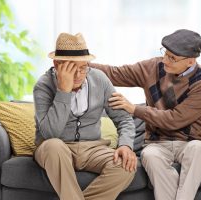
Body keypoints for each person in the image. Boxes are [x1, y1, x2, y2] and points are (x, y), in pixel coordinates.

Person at [90, 29, 201, 200]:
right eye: (165, 53)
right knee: (149, 155)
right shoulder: (152, 67)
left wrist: (134, 109)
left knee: (199, 149)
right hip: (158, 143)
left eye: (172, 58)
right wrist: (82, 64)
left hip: (190, 142)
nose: (165, 60)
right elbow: (115, 73)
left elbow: (175, 119)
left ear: (190, 61)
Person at [33, 33, 137, 200]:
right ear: (57, 64)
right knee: (54, 146)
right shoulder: (43, 86)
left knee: (125, 166)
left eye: (83, 68)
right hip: (56, 149)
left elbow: (123, 118)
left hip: (93, 148)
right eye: (72, 68)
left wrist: (125, 145)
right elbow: (49, 133)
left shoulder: (100, 79)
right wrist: (63, 91)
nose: (79, 74)